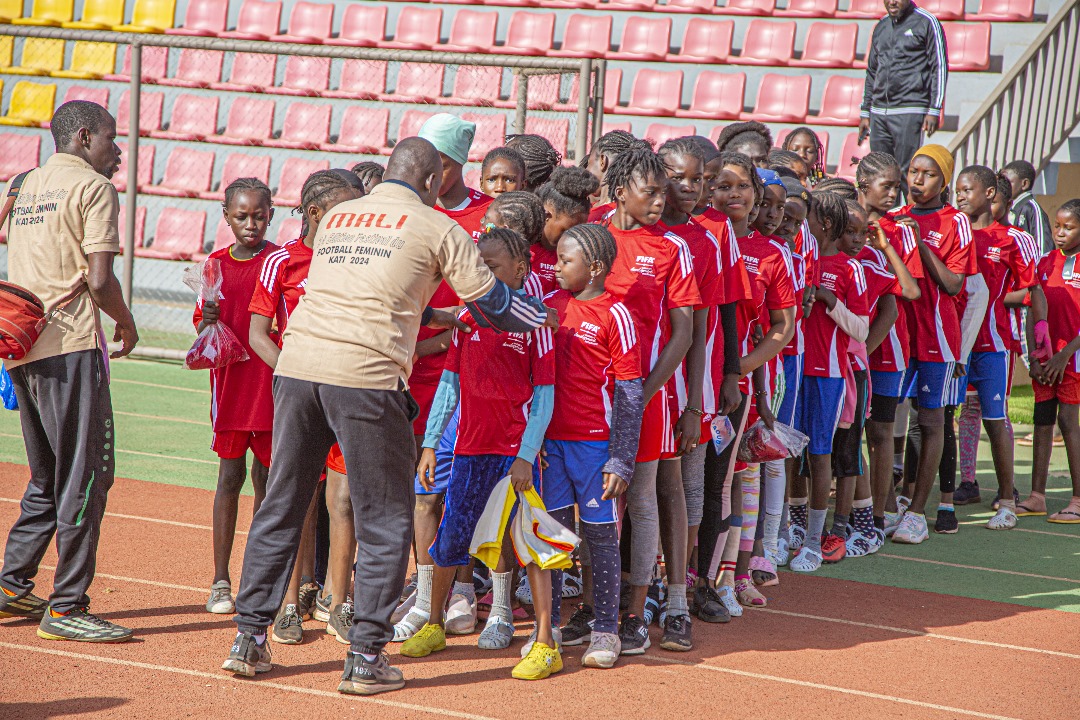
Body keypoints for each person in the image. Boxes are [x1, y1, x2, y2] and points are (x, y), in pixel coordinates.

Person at [219, 138, 554, 696]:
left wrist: (432, 310)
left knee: (281, 502)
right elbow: (496, 304)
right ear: (429, 181)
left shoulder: (343, 216)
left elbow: (367, 290)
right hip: (367, 377)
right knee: (385, 519)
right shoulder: (436, 225)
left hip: (298, 367)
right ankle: (366, 655)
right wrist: (542, 315)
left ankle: (248, 639)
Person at [0, 100, 138, 642]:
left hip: (22, 345)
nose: (118, 148)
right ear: (84, 137)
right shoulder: (94, 188)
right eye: (111, 137)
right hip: (69, 344)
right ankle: (68, 605)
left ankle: (11, 583)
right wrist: (127, 323)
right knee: (86, 477)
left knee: (48, 475)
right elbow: (101, 280)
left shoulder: (25, 181)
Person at [405, 228, 560, 681]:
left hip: (512, 455)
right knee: (451, 539)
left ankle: (544, 641)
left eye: (490, 268)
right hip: (468, 449)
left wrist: (527, 454)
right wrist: (433, 442)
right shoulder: (468, 318)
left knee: (526, 543)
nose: (481, 276)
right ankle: (433, 624)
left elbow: (544, 397)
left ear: (522, 270)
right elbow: (448, 384)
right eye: (478, 267)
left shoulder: (536, 324)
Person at [247, 170, 365, 644]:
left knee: (344, 499)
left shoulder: (358, 258)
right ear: (315, 213)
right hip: (298, 396)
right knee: (299, 500)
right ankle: (289, 603)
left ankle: (340, 602)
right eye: (346, 208)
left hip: (349, 391)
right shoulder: (282, 262)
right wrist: (295, 374)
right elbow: (258, 333)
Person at [395, 114, 495, 643]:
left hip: (460, 370)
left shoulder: (485, 214)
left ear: (453, 166)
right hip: (404, 363)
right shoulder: (403, 206)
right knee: (420, 483)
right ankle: (426, 580)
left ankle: (460, 586)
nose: (432, 173)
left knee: (459, 485)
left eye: (444, 164)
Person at [597, 145, 700, 654]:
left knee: (640, 499)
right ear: (620, 191)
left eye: (664, 191)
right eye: (651, 191)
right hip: (589, 394)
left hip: (647, 395)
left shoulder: (672, 249)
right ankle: (603, 606)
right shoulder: (592, 234)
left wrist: (645, 391)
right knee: (597, 502)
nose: (662, 201)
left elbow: (684, 332)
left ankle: (639, 612)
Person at [545, 223, 643, 669]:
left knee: (601, 537)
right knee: (554, 538)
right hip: (550, 447)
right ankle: (549, 629)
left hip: (595, 449)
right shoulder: (549, 306)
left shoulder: (616, 315)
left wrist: (621, 459)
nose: (557, 267)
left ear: (597, 268)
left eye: (567, 261)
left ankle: (607, 628)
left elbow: (629, 393)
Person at [195, 178, 278, 619]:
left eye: (259, 215)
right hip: (230, 392)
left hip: (270, 390)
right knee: (230, 480)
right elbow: (203, 331)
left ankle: (257, 576)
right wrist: (207, 319)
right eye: (241, 216)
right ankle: (220, 578)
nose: (251, 224)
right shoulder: (214, 265)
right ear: (225, 215)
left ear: (272, 213)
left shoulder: (278, 262)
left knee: (267, 485)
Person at [889, 145, 981, 543]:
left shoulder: (955, 222)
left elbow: (954, 284)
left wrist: (920, 245)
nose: (917, 180)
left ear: (944, 181)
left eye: (927, 174)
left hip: (936, 336)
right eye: (913, 171)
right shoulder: (892, 219)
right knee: (887, 420)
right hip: (895, 333)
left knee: (931, 421)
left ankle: (917, 512)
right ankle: (887, 506)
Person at [952, 166, 1042, 529]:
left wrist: (999, 299)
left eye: (966, 189)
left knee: (994, 416)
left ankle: (1008, 499)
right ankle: (963, 484)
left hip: (992, 344)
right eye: (957, 190)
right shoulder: (953, 233)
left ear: (990, 194)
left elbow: (1033, 289)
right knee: (957, 415)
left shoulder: (1013, 239)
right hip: (954, 345)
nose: (959, 196)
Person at [790, 190, 870, 572]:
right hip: (793, 368)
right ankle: (784, 531)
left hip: (829, 373)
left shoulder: (848, 268)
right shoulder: (797, 258)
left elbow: (862, 328)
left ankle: (812, 542)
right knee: (787, 453)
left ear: (821, 223)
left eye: (808, 217)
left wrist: (827, 299)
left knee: (820, 454)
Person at [1018, 199, 1080, 523]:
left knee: (1069, 423)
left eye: (1068, 227)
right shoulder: (1043, 263)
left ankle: (1078, 499)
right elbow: (1032, 309)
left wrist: (1064, 355)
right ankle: (1036, 496)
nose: (1059, 232)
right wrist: (1034, 354)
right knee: (1042, 420)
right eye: (1057, 225)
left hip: (1072, 358)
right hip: (1045, 360)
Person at [859, 0, 948, 199]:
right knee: (880, 172)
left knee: (908, 171)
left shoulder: (927, 22)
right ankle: (883, 224)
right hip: (879, 112)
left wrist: (934, 109)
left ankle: (909, 222)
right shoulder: (881, 26)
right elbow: (872, 71)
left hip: (911, 109)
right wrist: (866, 111)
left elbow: (939, 67)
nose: (892, 2)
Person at [535, 167, 599, 296]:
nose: (571, 239)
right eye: (566, 231)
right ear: (546, 215)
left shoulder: (579, 256)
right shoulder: (523, 248)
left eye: (578, 232)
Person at [583, 129, 640, 219]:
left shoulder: (600, 216)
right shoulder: (626, 213)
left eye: (589, 163)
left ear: (603, 161)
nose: (586, 169)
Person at [1001, 160, 1054, 255]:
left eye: (1007, 182)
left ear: (1024, 184)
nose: (1003, 187)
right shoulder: (1007, 208)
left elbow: (1043, 247)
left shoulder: (1031, 208)